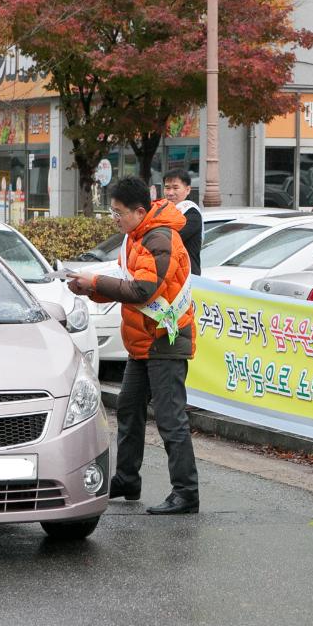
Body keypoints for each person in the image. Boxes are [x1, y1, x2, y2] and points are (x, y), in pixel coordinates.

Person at [68, 177, 199, 514]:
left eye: (119, 213)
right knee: (128, 409)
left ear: (141, 211)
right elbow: (129, 284)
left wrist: (95, 283)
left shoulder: (160, 238)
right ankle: (127, 479)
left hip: (164, 339)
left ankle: (186, 492)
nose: (116, 220)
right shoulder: (137, 236)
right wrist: (91, 289)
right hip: (143, 339)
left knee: (170, 418)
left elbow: (142, 290)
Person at [163, 170, 203, 276]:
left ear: (188, 189)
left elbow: (168, 239)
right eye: (167, 188)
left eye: (175, 188)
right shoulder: (165, 211)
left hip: (187, 276)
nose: (170, 193)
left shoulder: (191, 214)